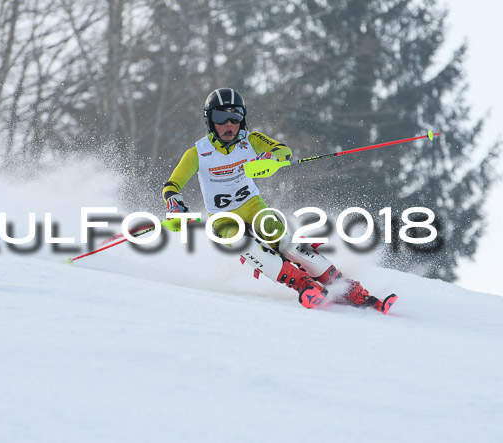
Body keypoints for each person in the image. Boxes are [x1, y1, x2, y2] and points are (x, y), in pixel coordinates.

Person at [163, 87, 396, 312]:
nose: (228, 125)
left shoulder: (251, 140)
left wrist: (269, 156)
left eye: (235, 117)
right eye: (221, 117)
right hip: (223, 218)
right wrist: (175, 204)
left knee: (284, 241)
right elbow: (172, 185)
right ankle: (304, 285)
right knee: (241, 242)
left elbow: (283, 150)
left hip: (253, 206)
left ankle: (348, 288)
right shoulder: (197, 153)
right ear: (210, 120)